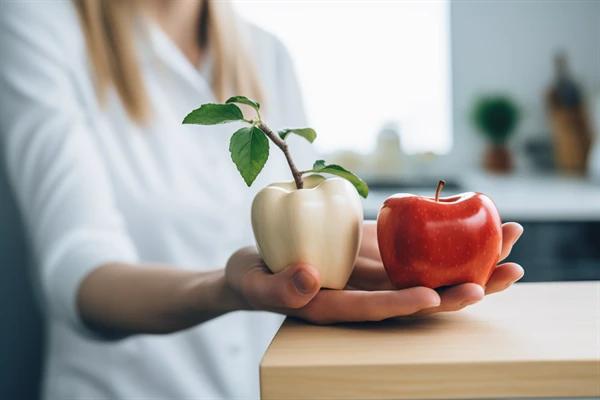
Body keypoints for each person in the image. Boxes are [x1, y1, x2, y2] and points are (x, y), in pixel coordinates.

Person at [0, 1, 524, 399]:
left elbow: (310, 226)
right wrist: (227, 288)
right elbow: (77, 275)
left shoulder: (266, 54)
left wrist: (382, 250)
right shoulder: (41, 25)